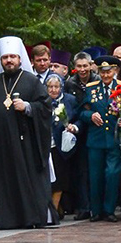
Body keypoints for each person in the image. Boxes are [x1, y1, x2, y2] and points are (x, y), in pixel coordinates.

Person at [0, 36, 57, 229]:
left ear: (20, 59)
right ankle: (0, 218)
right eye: (5, 57)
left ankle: (28, 216)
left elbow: (45, 106)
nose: (9, 61)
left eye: (12, 57)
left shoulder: (31, 81)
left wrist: (27, 107)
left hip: (24, 144)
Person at [79, 55, 121, 221]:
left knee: (112, 174)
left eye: (109, 72)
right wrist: (91, 115)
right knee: (95, 176)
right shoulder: (91, 88)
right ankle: (96, 211)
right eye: (102, 72)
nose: (106, 76)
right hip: (96, 138)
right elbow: (82, 112)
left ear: (114, 71)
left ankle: (109, 210)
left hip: (114, 139)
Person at [64, 51, 99, 220]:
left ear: (91, 65)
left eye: (85, 66)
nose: (83, 69)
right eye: (79, 66)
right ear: (74, 67)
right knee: (81, 170)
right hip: (77, 129)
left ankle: (96, 206)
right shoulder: (70, 83)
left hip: (95, 128)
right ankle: (83, 206)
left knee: (95, 169)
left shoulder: (98, 80)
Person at [46, 75, 79, 215]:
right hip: (46, 146)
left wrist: (74, 127)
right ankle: (55, 209)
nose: (53, 90)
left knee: (60, 180)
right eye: (50, 87)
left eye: (56, 87)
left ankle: (54, 211)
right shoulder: (42, 101)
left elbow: (78, 118)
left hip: (62, 146)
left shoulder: (69, 100)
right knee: (49, 181)